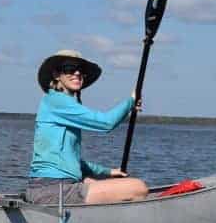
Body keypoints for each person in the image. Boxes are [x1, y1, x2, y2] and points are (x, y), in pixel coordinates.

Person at [26, 49, 149, 205]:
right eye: (70, 69)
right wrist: (131, 100)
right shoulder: (56, 101)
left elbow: (73, 160)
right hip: (51, 189)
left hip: (57, 185)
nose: (77, 73)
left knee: (92, 181)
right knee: (138, 187)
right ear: (57, 75)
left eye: (81, 70)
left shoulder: (58, 103)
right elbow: (106, 123)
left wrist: (109, 172)